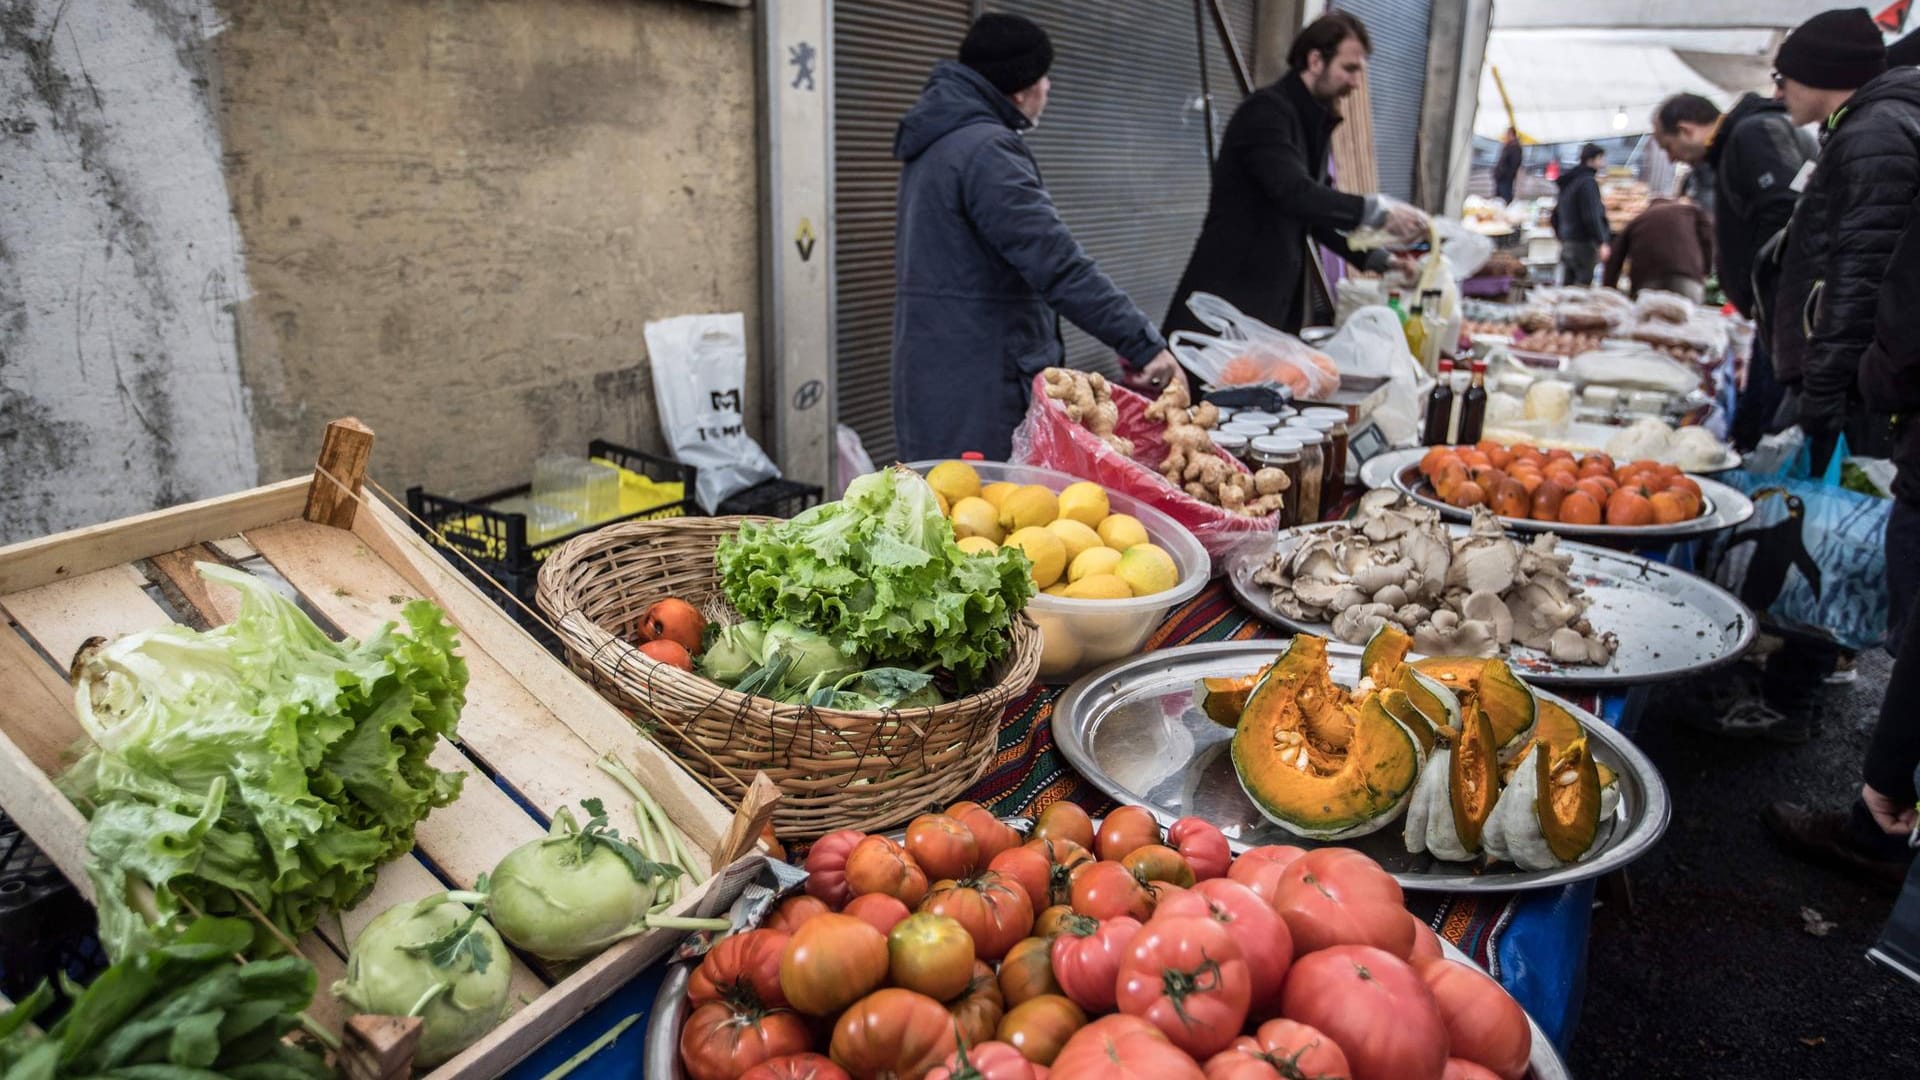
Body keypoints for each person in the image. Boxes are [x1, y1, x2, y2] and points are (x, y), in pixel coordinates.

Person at [1757, 8, 1920, 888]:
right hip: (1869, 379)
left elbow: (1865, 274)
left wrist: (1827, 389)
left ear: (1825, 70)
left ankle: (1872, 802)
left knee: (1865, 556)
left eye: (1787, 72)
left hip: (1865, 384)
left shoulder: (1879, 130)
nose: (1778, 88)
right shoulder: (1879, 122)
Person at [890, 14, 1183, 461]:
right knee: (987, 515)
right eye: (1045, 75)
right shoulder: (987, 151)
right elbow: (1057, 263)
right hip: (982, 384)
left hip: (939, 375)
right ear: (1022, 86)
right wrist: (1142, 344)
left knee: (945, 510)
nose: (1049, 87)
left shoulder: (939, 139)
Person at [1162, 11, 1427, 339]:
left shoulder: (1311, 122)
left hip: (1267, 307)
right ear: (1316, 60)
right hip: (1225, 307)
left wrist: (1380, 260)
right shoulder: (1266, 113)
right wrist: (1378, 211)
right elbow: (1294, 192)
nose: (1356, 83)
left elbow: (1316, 217)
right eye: (1350, 68)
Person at [1653, 90, 1818, 452]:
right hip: (1778, 311)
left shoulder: (1752, 134)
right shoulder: (1746, 137)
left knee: (1770, 427)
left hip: (1786, 312)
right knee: (1756, 419)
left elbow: (1785, 209)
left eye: (1668, 146)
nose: (1671, 157)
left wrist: (1764, 282)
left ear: (1686, 130)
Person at [1601, 196, 1713, 301]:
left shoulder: (1640, 219)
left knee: (1647, 319)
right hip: (1686, 277)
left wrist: (1608, 291)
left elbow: (1615, 256)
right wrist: (1706, 270)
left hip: (1647, 280)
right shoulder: (1691, 212)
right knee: (1685, 319)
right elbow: (1709, 239)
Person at [1551, 143, 1610, 286]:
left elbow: (1555, 215)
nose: (1602, 163)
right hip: (1582, 245)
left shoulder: (1569, 181)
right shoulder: (1587, 183)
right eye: (1600, 159)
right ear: (1591, 160)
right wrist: (1601, 241)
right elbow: (1591, 215)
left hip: (1567, 243)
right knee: (1580, 291)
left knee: (1566, 288)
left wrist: (1561, 236)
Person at [1493, 126, 1523, 204]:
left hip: (1506, 179)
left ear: (1511, 134)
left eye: (1506, 134)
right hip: (1501, 178)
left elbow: (1514, 165)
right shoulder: (1508, 146)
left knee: (1505, 198)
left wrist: (1505, 174)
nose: (1505, 136)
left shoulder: (1515, 147)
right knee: (1498, 200)